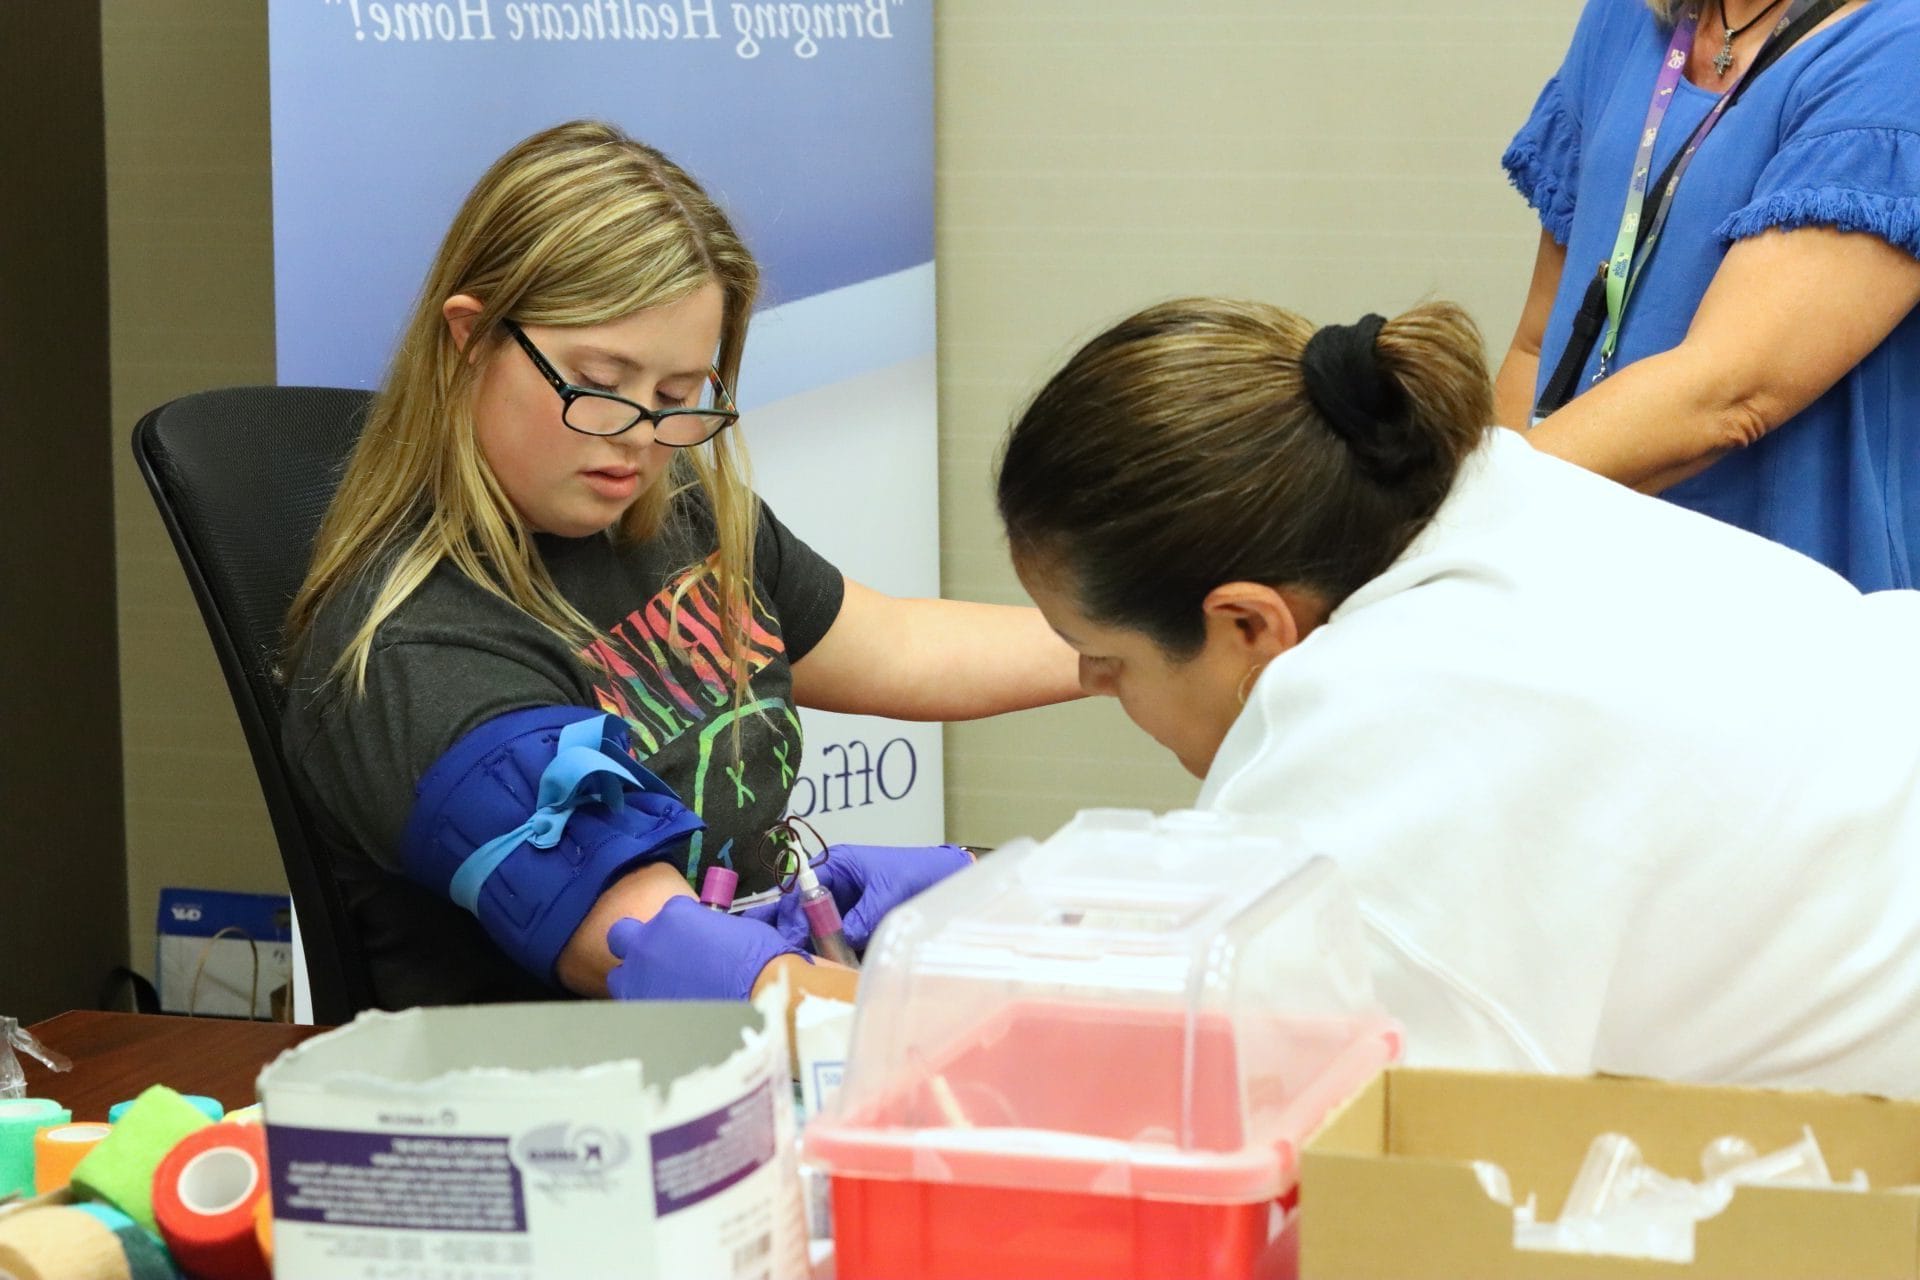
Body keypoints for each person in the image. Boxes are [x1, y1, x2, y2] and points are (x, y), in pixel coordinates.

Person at [996, 295, 1920, 1096]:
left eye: (1102, 657)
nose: (1087, 681)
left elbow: (1366, 1160)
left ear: (1246, 623)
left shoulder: (1372, 749)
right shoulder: (1497, 491)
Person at [281, 120, 1079, 1012]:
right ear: (471, 338)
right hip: (585, 1084)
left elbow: (891, 643)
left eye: (675, 394)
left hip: (750, 1036)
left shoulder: (665, 505)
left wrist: (1129, 643)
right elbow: (672, 954)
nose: (639, 437)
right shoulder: (419, 657)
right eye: (599, 384)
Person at [1496, 0, 1920, 591]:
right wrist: (1486, 573)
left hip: (1772, 600)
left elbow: (1726, 395)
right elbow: (1536, 343)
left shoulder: (1901, 46)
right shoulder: (1623, 17)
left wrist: (1469, 516)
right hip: (1561, 568)